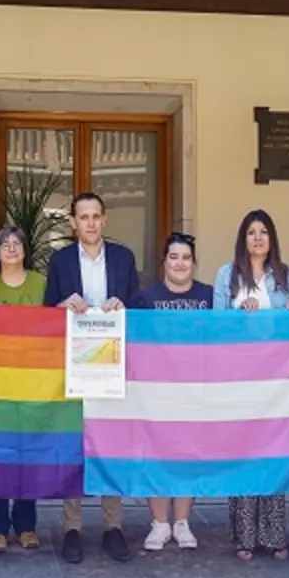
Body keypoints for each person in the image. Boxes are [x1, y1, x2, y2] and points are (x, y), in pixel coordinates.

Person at [44, 192, 138, 564]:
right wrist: (61, 307)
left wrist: (124, 305)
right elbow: (47, 310)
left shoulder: (124, 257)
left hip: (113, 365)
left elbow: (139, 305)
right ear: (72, 222)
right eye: (84, 217)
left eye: (97, 216)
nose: (91, 223)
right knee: (75, 444)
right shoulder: (60, 260)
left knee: (110, 443)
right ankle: (72, 528)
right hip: (75, 365)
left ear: (105, 219)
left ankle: (113, 527)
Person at [212, 210, 289, 561]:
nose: (258, 238)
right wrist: (239, 312)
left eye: (264, 231)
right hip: (238, 380)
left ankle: (275, 534)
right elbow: (217, 324)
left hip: (277, 381)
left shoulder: (286, 276)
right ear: (243, 238)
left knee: (274, 454)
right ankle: (245, 536)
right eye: (251, 232)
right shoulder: (226, 275)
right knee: (244, 454)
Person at [131, 232, 214, 551]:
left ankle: (182, 523)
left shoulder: (209, 296)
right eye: (174, 257)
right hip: (157, 390)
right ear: (164, 261)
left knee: (187, 454)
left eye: (186, 257)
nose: (180, 263)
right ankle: (159, 524)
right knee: (157, 455)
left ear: (194, 263)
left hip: (195, 389)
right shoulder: (145, 297)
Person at [0, 225, 47, 554]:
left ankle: (26, 525)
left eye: (16, 243)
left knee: (28, 454)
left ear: (25, 249)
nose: (11, 249)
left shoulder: (41, 283)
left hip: (33, 382)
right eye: (4, 244)